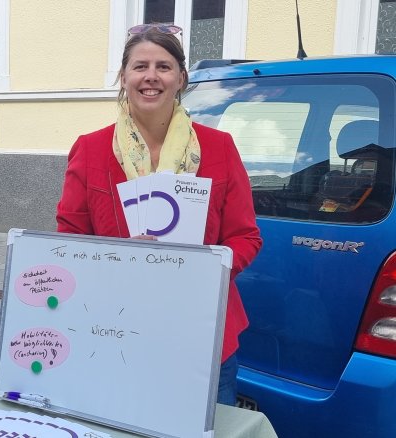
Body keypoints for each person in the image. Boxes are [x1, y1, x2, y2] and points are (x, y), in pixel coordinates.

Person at [56, 24, 262, 405]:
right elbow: (70, 239)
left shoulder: (219, 148)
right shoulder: (91, 150)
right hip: (114, 326)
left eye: (164, 66)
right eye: (140, 66)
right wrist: (119, 257)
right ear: (124, 76)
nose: (151, 76)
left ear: (181, 78)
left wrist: (201, 266)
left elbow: (245, 236)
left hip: (202, 331)